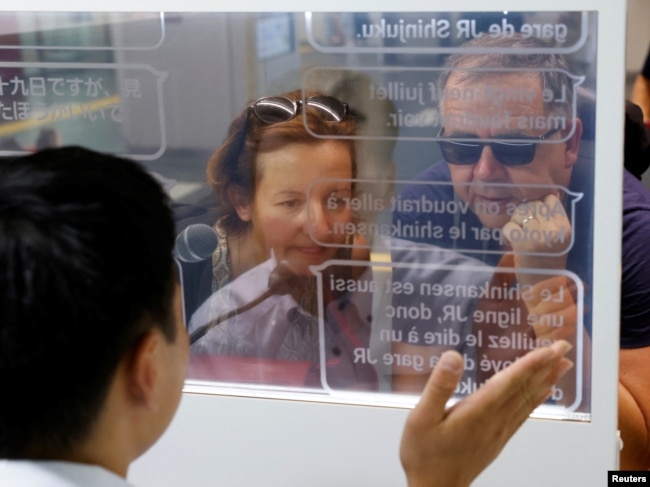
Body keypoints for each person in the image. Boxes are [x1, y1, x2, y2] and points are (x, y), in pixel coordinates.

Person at [0, 146, 573, 486]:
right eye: (290, 201)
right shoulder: (232, 315)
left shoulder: (447, 283)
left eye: (340, 197)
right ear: (147, 369)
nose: (320, 228)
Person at [394, 34, 650, 468]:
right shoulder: (425, 207)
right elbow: (413, 403)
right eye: (461, 147)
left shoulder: (627, 229)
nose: (485, 172)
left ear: (569, 143)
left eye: (515, 146)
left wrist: (550, 292)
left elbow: (635, 458)